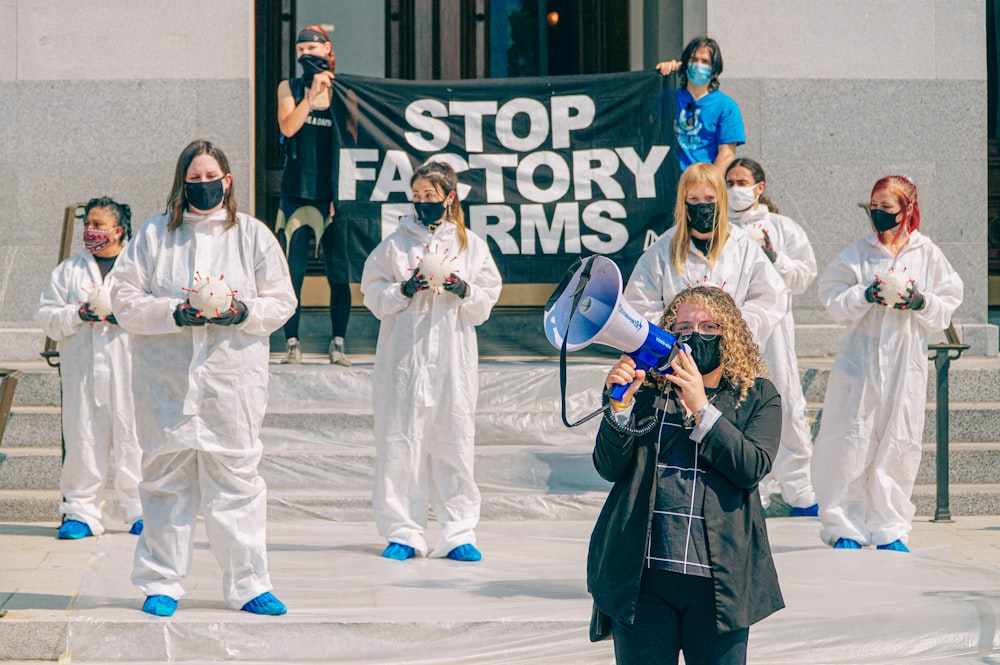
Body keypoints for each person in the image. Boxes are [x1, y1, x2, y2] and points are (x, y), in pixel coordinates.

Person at [110, 139, 297, 616]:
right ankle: (162, 583)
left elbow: (282, 300)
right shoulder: (154, 235)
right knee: (166, 483)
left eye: (210, 177)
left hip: (231, 383)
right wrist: (175, 312)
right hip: (167, 383)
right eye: (193, 179)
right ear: (181, 183)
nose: (203, 185)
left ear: (227, 180)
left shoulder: (252, 235)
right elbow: (124, 299)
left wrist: (241, 312)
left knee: (236, 484)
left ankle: (249, 583)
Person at [589, 285, 784, 665]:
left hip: (717, 585)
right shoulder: (648, 392)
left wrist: (701, 408)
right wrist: (620, 406)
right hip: (644, 578)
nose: (696, 335)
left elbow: (751, 467)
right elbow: (608, 467)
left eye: (710, 327)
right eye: (684, 327)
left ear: (731, 337)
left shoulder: (758, 395)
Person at [812, 175, 963, 551]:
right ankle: (843, 524)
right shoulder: (859, 252)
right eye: (874, 207)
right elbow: (830, 294)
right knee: (849, 438)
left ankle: (890, 527)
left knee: (899, 440)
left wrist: (920, 302)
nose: (878, 215)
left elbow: (949, 298)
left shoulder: (926, 253)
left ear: (907, 210)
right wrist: (864, 295)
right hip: (859, 361)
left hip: (904, 359)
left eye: (887, 208)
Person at [361, 161, 502, 562]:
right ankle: (403, 530)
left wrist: (463, 289)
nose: (423, 203)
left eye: (431, 196)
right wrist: (403, 289)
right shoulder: (395, 245)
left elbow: (487, 297)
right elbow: (372, 294)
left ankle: (459, 531)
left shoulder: (469, 245)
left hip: (453, 359)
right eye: (417, 196)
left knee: (453, 440)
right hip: (405, 360)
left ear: (449, 198)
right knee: (400, 442)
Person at [35, 197, 143, 539]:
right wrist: (78, 314)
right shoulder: (69, 270)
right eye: (88, 224)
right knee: (83, 438)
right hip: (82, 370)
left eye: (98, 225)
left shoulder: (137, 268)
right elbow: (48, 318)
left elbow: (152, 311)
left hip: (129, 368)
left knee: (133, 438)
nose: (91, 231)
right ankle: (80, 512)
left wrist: (122, 316)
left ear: (118, 230)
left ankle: (141, 509)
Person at [725, 158, 819, 516]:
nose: (736, 189)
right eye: (729, 182)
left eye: (742, 181)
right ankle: (754, 493)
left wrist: (771, 255)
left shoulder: (782, 228)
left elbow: (803, 277)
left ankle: (801, 492)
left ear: (759, 186)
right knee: (740, 408)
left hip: (775, 332)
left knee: (788, 405)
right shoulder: (719, 228)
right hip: (734, 334)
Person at [624, 162, 788, 347]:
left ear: (722, 201)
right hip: (678, 354)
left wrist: (732, 327)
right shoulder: (662, 249)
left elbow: (771, 299)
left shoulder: (744, 247)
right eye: (693, 199)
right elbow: (639, 301)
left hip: (729, 353)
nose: (702, 206)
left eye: (710, 199)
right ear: (683, 203)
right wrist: (674, 332)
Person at [275, 25, 352, 366]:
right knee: (293, 273)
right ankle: (292, 341)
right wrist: (310, 95)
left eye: (313, 48)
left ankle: (339, 341)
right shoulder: (289, 87)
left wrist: (329, 89)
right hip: (296, 193)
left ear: (328, 50)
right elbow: (288, 127)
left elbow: (354, 140)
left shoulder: (344, 92)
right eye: (301, 48)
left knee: (338, 272)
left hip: (333, 195)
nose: (307, 54)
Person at [656, 36, 745, 173]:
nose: (698, 65)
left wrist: (709, 186)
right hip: (668, 184)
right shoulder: (667, 98)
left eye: (705, 62)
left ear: (714, 69)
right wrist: (660, 76)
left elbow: (726, 154)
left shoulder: (726, 107)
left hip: (702, 187)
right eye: (693, 59)